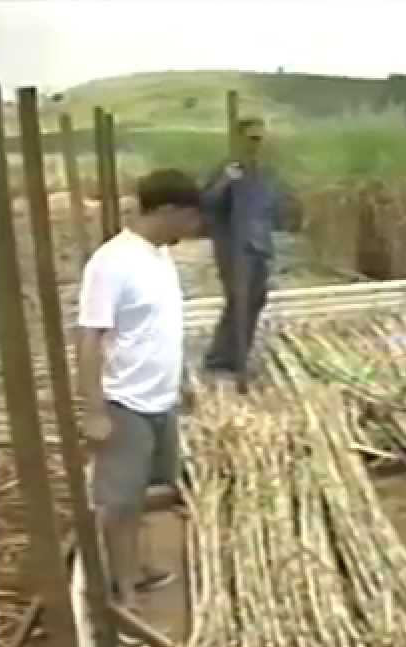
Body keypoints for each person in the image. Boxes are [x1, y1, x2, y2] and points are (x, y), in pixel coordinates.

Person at [77, 168, 203, 610]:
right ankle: (123, 588)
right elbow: (90, 338)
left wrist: (180, 382)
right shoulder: (111, 263)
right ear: (167, 210)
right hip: (125, 402)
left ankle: (137, 567)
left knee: (147, 490)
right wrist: (94, 411)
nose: (195, 226)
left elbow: (160, 329)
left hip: (161, 400)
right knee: (119, 501)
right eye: (190, 217)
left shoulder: (160, 256)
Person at [201, 116, 292, 393]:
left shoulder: (264, 172)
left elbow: (270, 209)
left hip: (258, 245)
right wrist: (226, 182)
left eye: (260, 139)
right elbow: (206, 202)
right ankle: (222, 358)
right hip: (233, 246)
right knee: (238, 299)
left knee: (256, 298)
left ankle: (239, 353)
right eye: (252, 138)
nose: (257, 144)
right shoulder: (228, 169)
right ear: (240, 139)